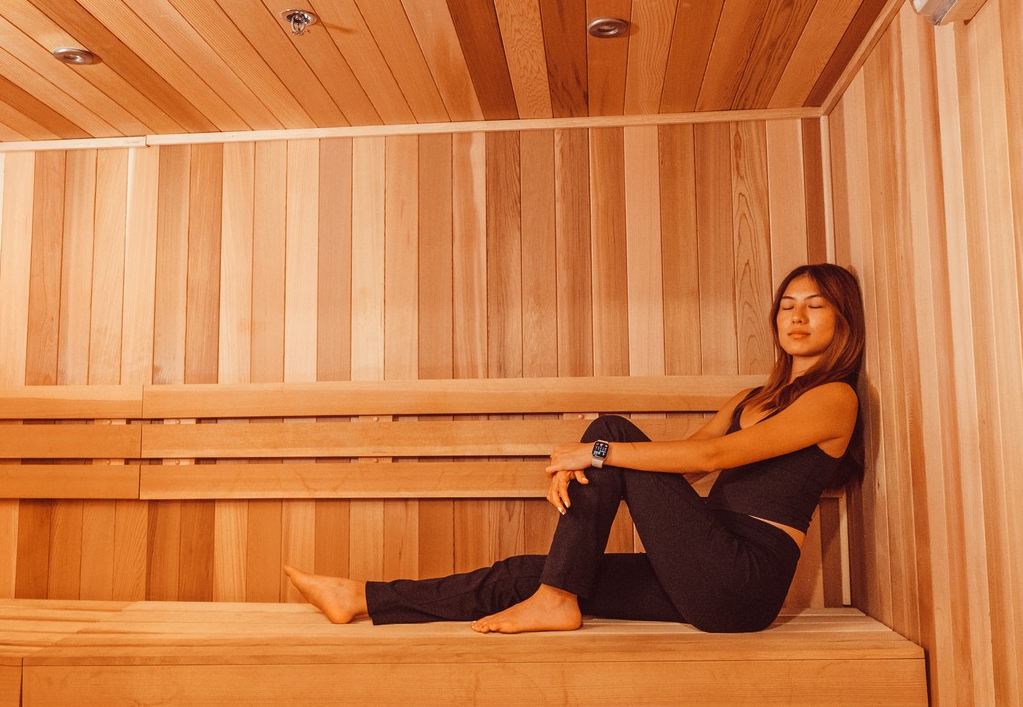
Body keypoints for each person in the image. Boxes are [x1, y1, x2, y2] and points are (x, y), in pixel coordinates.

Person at [285, 263, 864, 634]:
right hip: (700, 567)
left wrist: (594, 453)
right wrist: (597, 460)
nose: (797, 316)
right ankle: (361, 597)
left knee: (610, 430)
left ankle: (556, 596)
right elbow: (678, 467)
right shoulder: (752, 396)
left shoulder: (834, 398)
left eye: (814, 305)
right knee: (526, 574)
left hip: (742, 581)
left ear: (843, 319)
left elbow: (710, 460)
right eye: (788, 304)